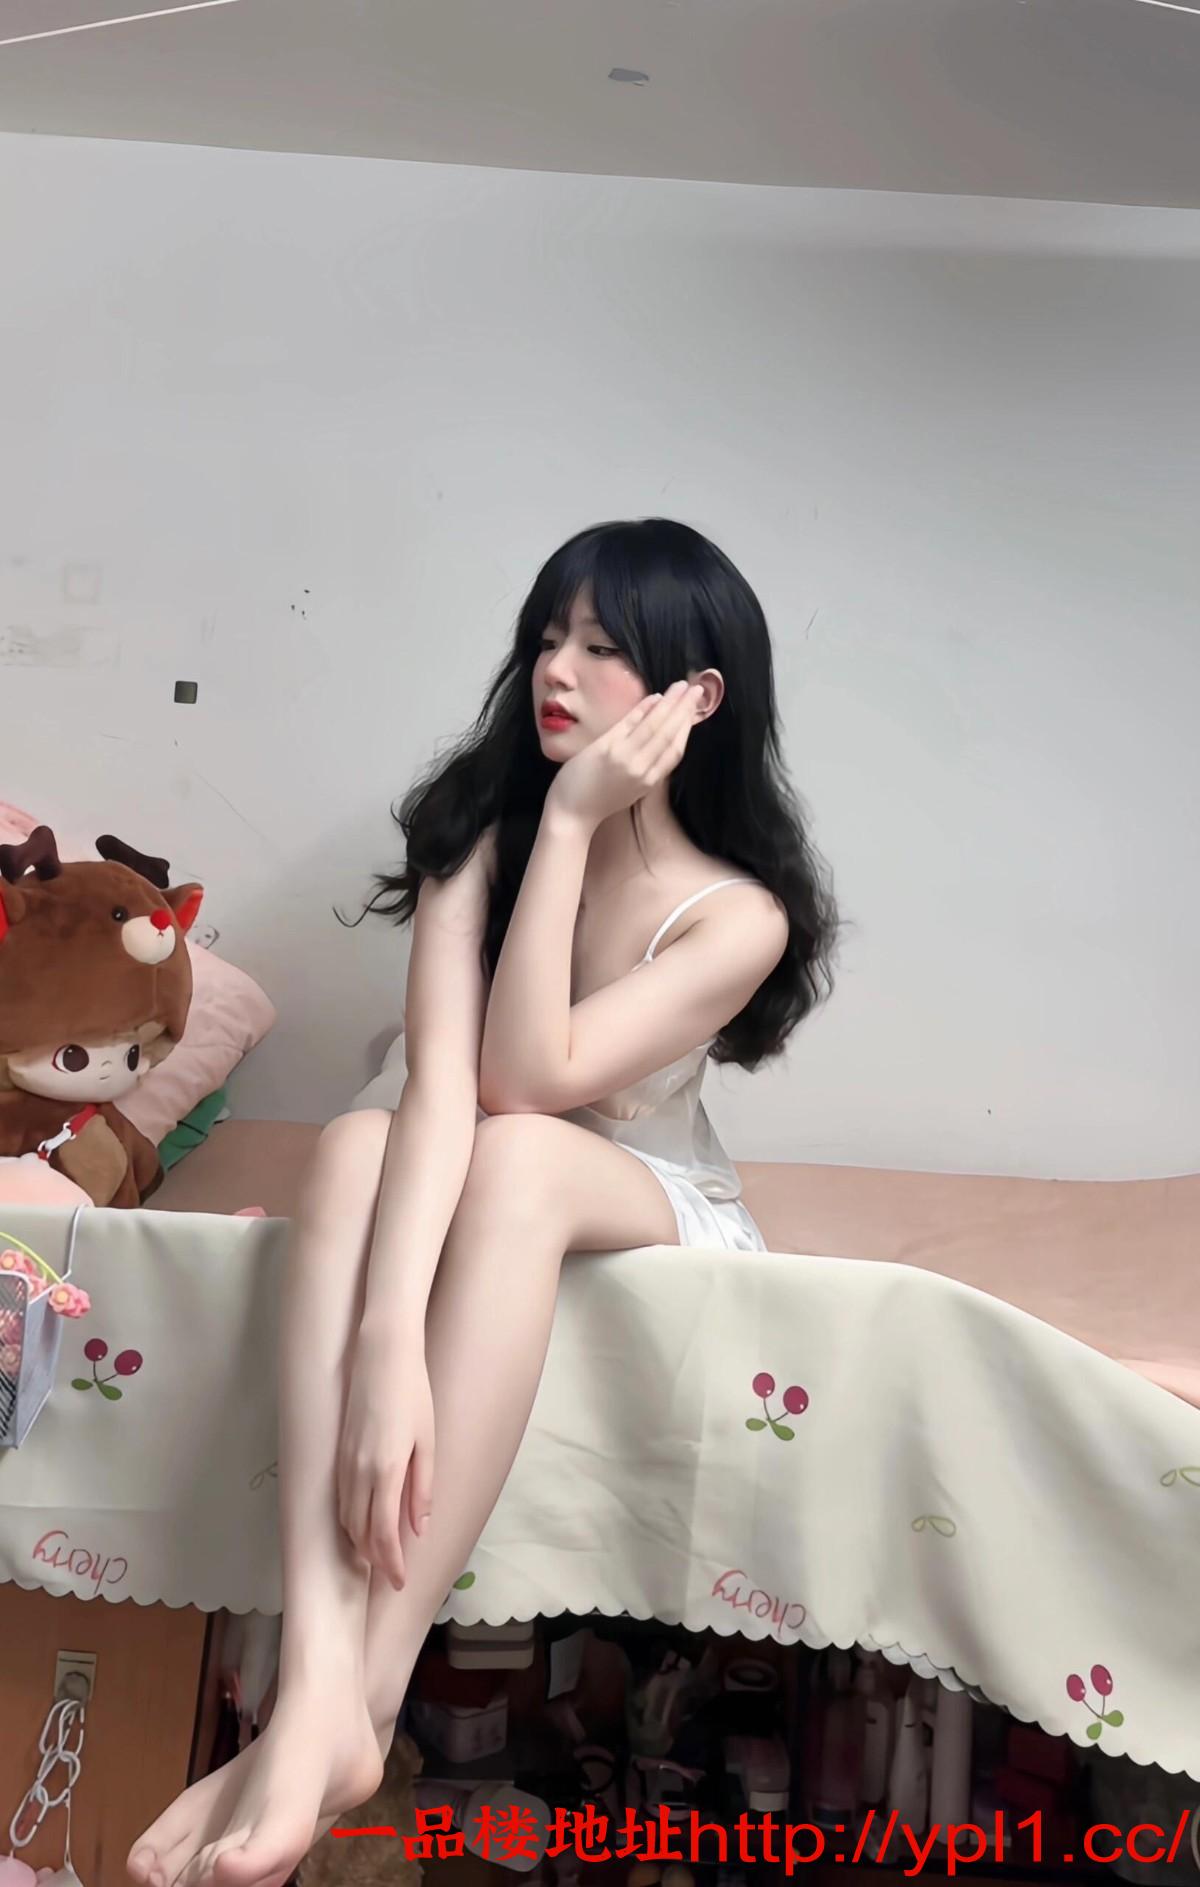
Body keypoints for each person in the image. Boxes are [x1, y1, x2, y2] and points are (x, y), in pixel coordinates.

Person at [126, 518, 839, 1887]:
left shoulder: (737, 915)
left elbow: (529, 1083)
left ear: (696, 696)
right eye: (548, 636)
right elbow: (443, 1086)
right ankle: (319, 1706)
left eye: (602, 647)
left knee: (513, 1158)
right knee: (354, 1143)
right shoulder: (471, 828)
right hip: (456, 1139)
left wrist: (569, 826)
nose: (555, 670)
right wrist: (389, 1342)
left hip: (632, 1176)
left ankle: (363, 1692)